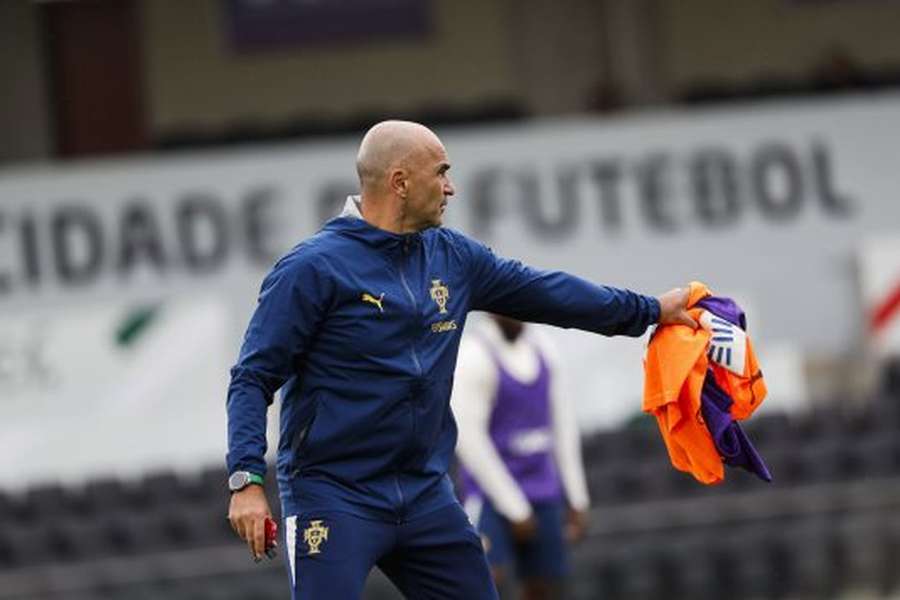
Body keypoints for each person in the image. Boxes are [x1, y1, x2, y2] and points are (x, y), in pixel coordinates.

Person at [225, 120, 696, 600]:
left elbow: (550, 293)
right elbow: (251, 378)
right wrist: (246, 480)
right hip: (335, 495)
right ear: (401, 182)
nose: (451, 187)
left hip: (424, 492)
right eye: (442, 172)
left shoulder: (454, 258)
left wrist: (651, 310)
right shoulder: (312, 268)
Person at [452, 314, 588, 600]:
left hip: (542, 490)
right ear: (491, 310)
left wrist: (576, 497)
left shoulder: (543, 348)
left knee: (544, 585)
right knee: (484, 579)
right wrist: (515, 508)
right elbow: (469, 440)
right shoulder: (474, 355)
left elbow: (563, 424)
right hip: (490, 496)